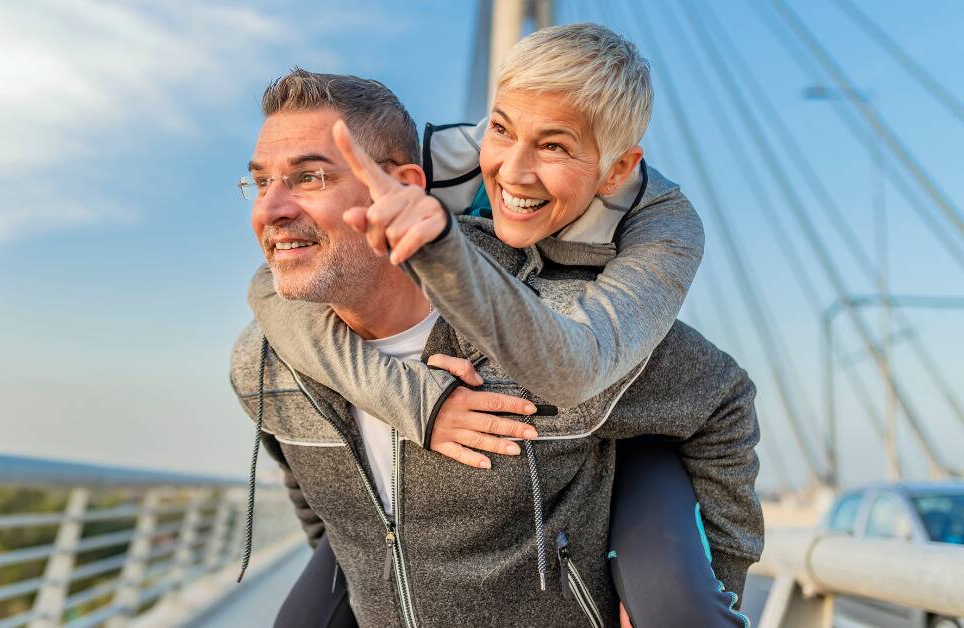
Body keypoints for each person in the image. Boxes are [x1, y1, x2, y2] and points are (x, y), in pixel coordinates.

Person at [246, 25, 760, 628]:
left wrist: (712, 590)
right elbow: (273, 284)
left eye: (555, 147)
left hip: (617, 392)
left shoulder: (664, 231)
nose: (512, 172)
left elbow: (575, 367)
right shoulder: (437, 167)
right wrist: (415, 401)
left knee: (680, 610)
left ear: (617, 170)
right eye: (500, 129)